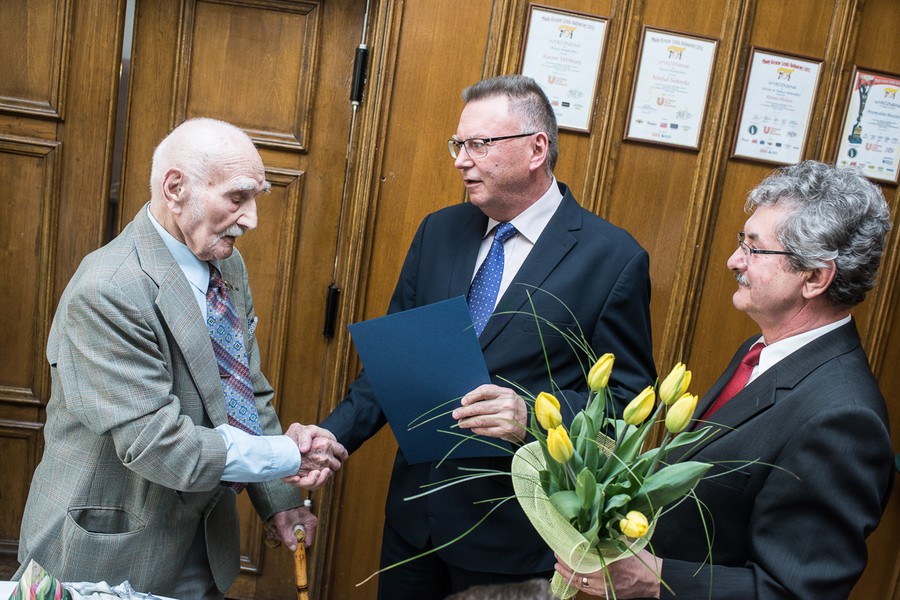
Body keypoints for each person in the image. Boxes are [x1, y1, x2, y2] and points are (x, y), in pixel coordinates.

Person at [320, 75, 656, 598]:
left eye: (479, 144)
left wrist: (532, 417)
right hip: (415, 522)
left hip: (514, 540)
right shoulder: (438, 231)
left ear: (535, 149)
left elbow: (628, 403)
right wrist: (334, 438)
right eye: (459, 144)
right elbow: (395, 364)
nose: (460, 159)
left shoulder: (612, 259)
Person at [16, 118, 347, 599]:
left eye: (256, 198)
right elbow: (158, 445)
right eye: (237, 197)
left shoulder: (226, 262)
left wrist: (280, 497)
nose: (252, 218)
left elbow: (244, 392)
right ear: (176, 188)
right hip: (107, 547)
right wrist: (288, 455)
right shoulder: (108, 290)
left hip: (202, 546)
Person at [556, 160, 895, 599]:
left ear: (814, 277)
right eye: (742, 241)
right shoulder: (761, 350)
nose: (734, 260)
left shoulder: (844, 419)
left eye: (754, 248)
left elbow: (795, 593)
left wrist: (655, 579)